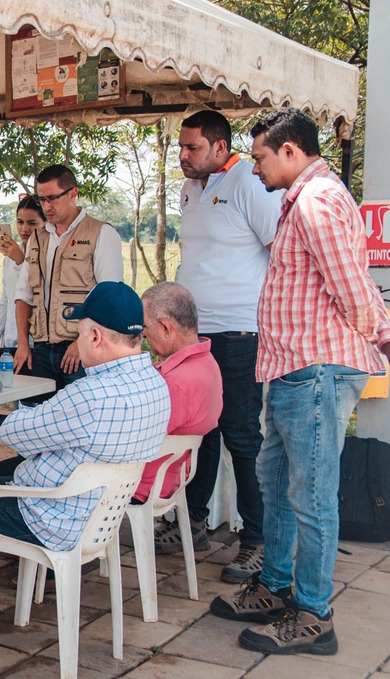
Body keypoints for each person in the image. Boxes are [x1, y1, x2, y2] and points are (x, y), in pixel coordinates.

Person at [210, 108, 390, 656]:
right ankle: (277, 586)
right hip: (293, 370)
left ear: (290, 150)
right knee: (279, 488)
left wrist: (382, 338)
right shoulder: (305, 200)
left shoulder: (315, 202)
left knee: (311, 499)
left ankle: (313, 615)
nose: (256, 168)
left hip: (315, 371)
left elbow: (354, 290)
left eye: (261, 157)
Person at [0, 281, 170, 626]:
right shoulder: (156, 384)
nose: (77, 342)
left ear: (96, 337)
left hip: (53, 515)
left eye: (79, 334)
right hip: (101, 512)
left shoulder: (90, 395)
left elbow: (16, 434)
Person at [162, 110, 282, 585]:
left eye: (191, 148)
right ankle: (192, 523)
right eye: (181, 147)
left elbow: (282, 249)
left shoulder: (249, 184)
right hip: (196, 335)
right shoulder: (192, 188)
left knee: (241, 436)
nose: (183, 156)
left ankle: (257, 540)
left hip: (239, 333)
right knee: (199, 431)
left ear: (219, 145)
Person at [12, 165, 124, 394]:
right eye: (41, 199)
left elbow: (109, 298)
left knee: (79, 422)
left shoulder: (101, 233)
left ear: (73, 193)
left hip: (82, 351)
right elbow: (23, 295)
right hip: (41, 350)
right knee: (42, 421)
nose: (46, 206)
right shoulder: (37, 238)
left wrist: (81, 344)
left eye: (52, 198)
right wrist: (23, 343)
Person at [134, 282, 222, 503]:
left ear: (166, 327)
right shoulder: (207, 362)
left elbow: (135, 438)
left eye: (145, 327)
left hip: (144, 483)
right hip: (174, 474)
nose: (143, 335)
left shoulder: (176, 382)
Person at [0, 195, 42, 371]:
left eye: (32, 223)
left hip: (35, 341)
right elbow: (5, 299)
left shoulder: (47, 254)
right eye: (20, 222)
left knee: (33, 396)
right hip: (9, 339)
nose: (24, 228)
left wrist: (21, 262)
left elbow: (32, 294)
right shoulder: (11, 256)